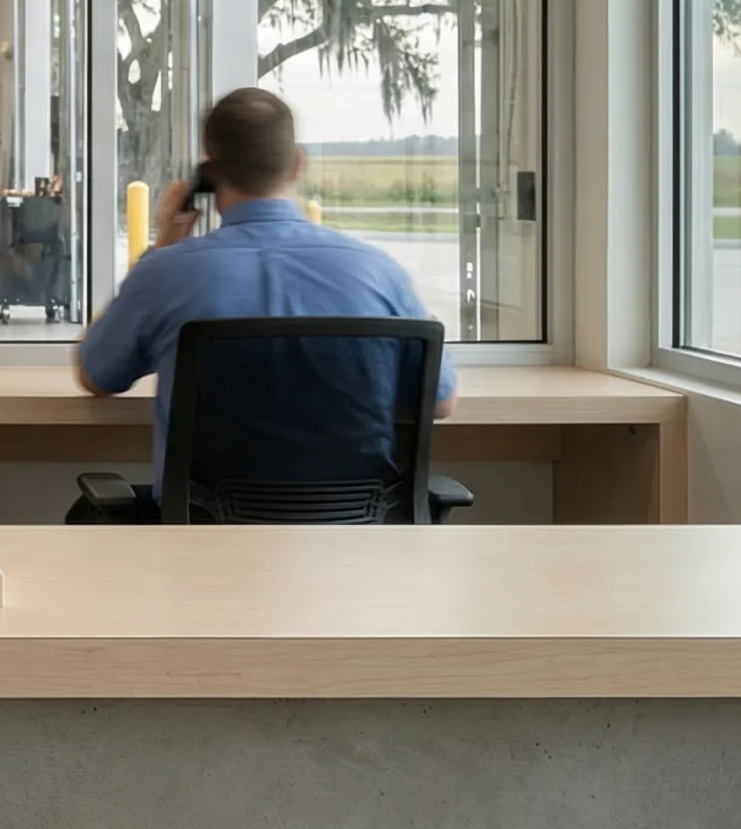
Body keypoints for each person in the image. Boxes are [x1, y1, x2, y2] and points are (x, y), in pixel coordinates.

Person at [72, 87, 455, 517]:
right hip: (351, 547)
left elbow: (96, 374)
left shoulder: (166, 273)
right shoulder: (379, 272)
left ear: (209, 174)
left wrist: (161, 246)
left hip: (205, 543)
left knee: (87, 517)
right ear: (297, 164)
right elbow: (440, 401)